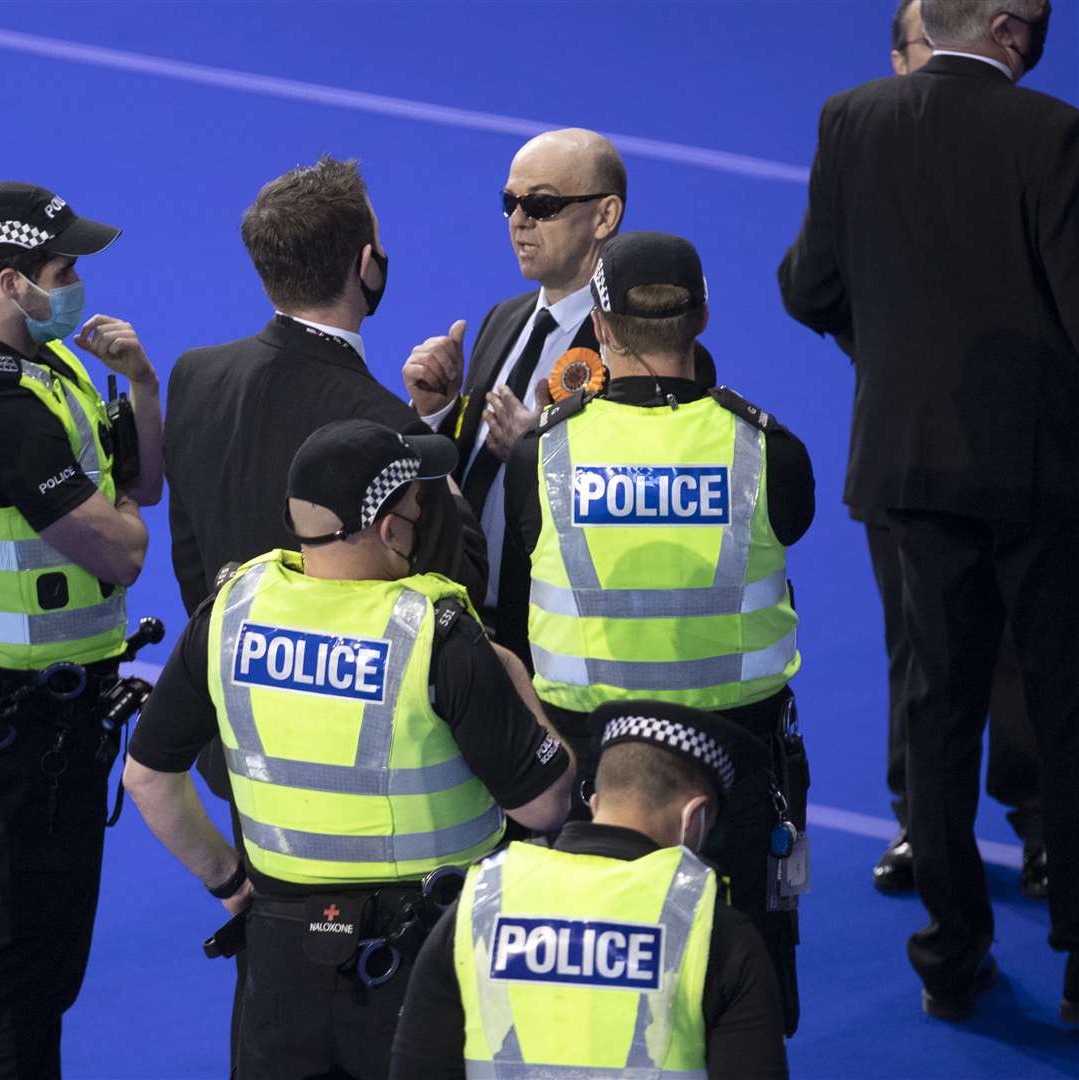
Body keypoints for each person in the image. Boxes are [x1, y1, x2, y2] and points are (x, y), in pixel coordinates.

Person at [778, 0, 1077, 1023]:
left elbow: (805, 284)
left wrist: (887, 356)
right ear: (999, 27)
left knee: (934, 709)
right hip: (1040, 479)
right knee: (1063, 705)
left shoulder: (849, 118)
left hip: (905, 471)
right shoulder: (1049, 131)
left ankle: (949, 956)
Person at [125, 419, 574, 1080]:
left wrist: (227, 880)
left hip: (280, 956)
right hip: (428, 958)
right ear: (391, 528)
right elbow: (546, 803)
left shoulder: (230, 612)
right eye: (416, 511)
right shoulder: (436, 635)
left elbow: (146, 778)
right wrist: (511, 674)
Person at [503, 232, 816, 1033]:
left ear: (599, 330)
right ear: (701, 317)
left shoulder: (544, 451)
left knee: (590, 1004)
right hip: (735, 768)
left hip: (591, 773)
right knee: (737, 987)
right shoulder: (767, 450)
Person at [0, 181, 163, 1080]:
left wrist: (139, 382)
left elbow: (142, 488)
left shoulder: (30, 364)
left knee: (43, 930)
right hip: (32, 709)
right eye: (63, 270)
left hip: (44, 691)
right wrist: (121, 518)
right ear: (10, 280)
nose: (77, 286)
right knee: (33, 939)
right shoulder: (6, 418)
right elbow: (127, 550)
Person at [865, 0, 1046, 901]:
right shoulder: (866, 142)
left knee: (1015, 656)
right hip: (920, 450)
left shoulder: (1022, 141)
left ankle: (1035, 819)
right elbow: (817, 277)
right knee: (917, 657)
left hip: (991, 453)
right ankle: (922, 830)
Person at [389, 699, 789, 1080]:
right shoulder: (713, 930)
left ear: (595, 803)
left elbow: (417, 1066)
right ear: (694, 819)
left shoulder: (482, 901)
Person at [166, 156, 487, 619]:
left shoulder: (193, 375)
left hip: (229, 664)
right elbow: (462, 584)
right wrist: (430, 438)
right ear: (366, 265)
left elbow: (193, 564)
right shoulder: (389, 429)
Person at [403, 129, 635, 643]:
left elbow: (641, 497)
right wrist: (436, 412)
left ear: (605, 216)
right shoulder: (503, 319)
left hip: (552, 633)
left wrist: (538, 452)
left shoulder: (638, 348)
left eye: (542, 204)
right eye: (510, 202)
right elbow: (463, 464)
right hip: (458, 621)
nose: (518, 220)